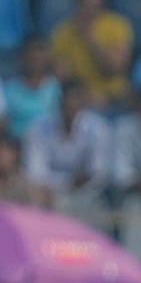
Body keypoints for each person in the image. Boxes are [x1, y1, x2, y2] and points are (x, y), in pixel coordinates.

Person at [22, 79, 111, 210]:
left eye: (76, 101)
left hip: (89, 195)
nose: (71, 105)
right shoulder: (38, 129)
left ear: (83, 103)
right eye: (68, 101)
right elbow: (35, 173)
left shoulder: (99, 128)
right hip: (50, 194)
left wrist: (76, 182)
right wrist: (68, 181)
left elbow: (98, 173)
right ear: (59, 102)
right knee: (37, 197)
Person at [49, 0, 133, 111]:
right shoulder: (62, 32)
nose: (89, 2)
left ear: (102, 0)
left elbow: (114, 68)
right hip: (79, 101)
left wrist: (88, 38)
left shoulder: (117, 25)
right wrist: (83, 95)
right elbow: (62, 75)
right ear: (76, 0)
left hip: (114, 99)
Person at [3, 36, 62, 141]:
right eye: (30, 53)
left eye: (39, 52)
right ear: (21, 56)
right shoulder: (10, 90)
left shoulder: (56, 88)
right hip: (17, 146)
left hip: (50, 147)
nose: (35, 57)